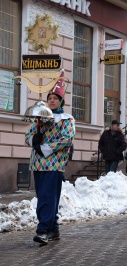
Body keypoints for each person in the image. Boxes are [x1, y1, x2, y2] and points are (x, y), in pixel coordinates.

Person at [25, 71, 75, 244]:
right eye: (50, 97)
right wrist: (34, 140)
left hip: (54, 164)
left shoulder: (66, 119)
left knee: (47, 197)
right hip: (38, 164)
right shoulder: (40, 116)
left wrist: (44, 147)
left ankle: (43, 230)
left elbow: (67, 139)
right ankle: (53, 228)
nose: (52, 100)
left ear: (61, 100)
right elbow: (27, 136)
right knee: (45, 196)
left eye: (55, 97)